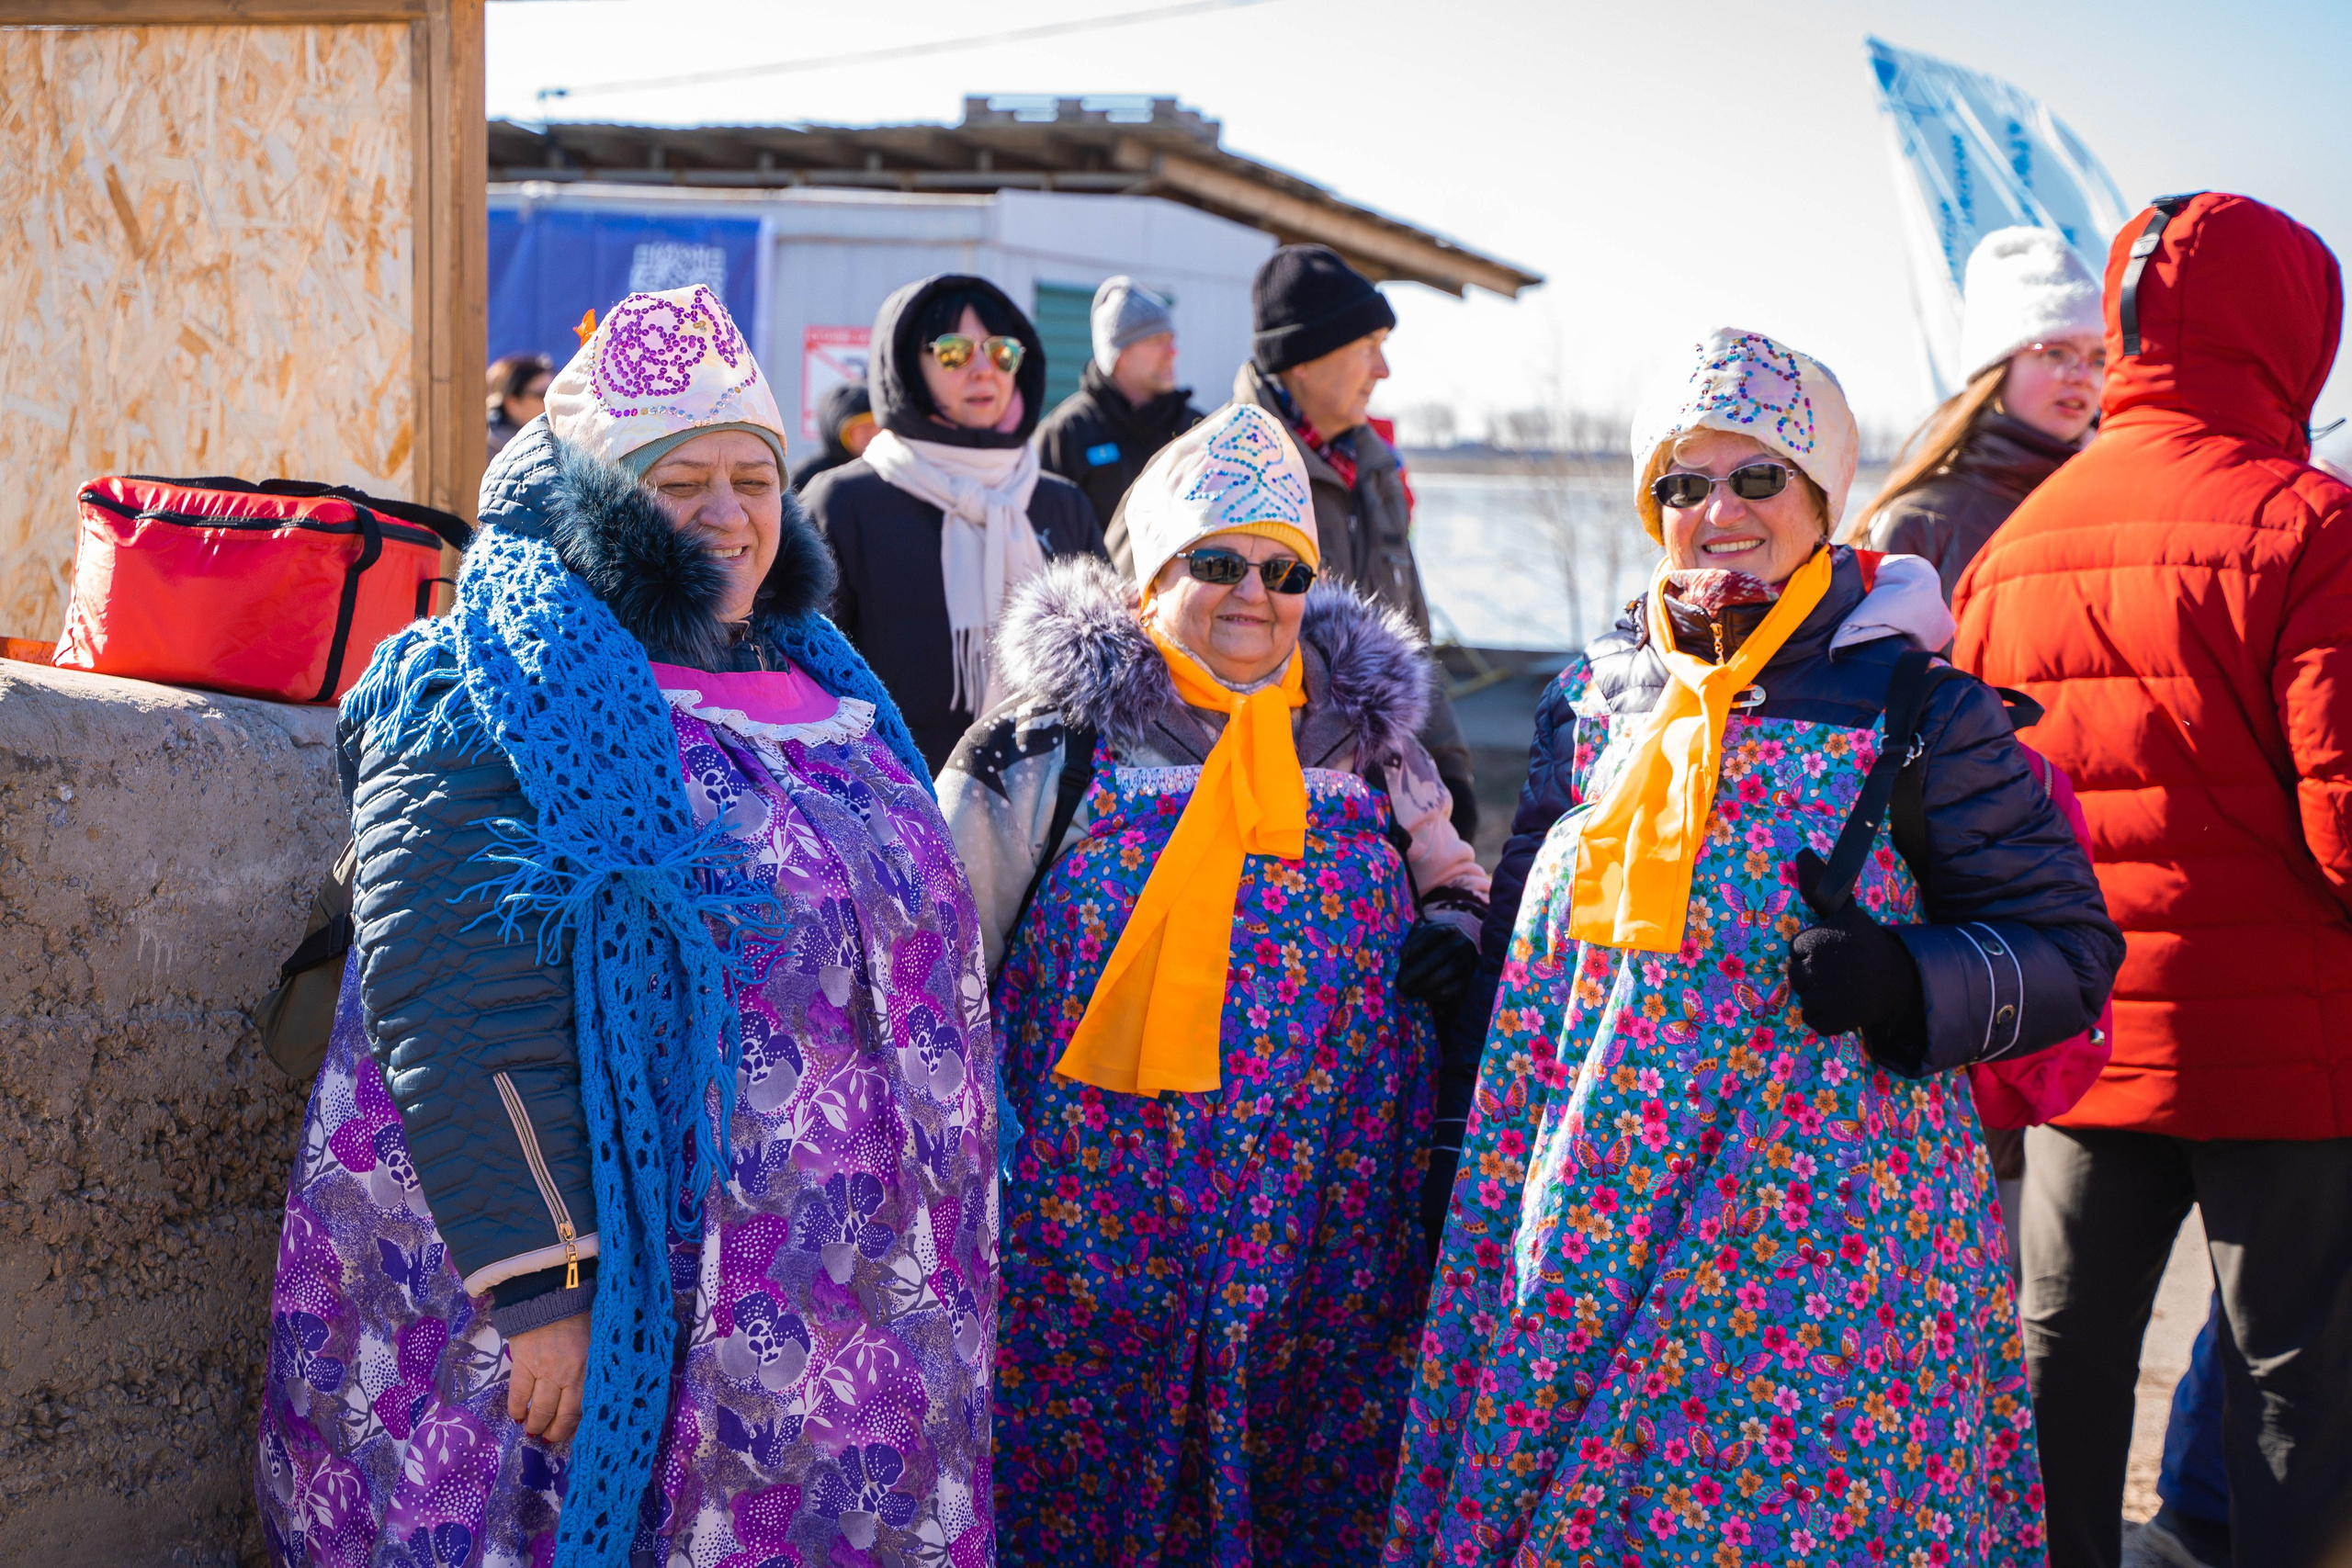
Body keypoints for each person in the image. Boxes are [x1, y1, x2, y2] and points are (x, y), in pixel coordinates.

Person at [254, 287, 999, 1567]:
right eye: (681, 480)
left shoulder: (821, 677)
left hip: (827, 1293)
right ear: (602, 500)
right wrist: (545, 1288)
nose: (727, 513)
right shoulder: (487, 684)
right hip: (585, 1283)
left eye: (755, 479)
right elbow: (453, 990)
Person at [1386, 328, 2123, 1566]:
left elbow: (2069, 948)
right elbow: (1527, 948)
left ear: (1825, 495)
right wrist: (1448, 1130)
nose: (1717, 509)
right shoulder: (1597, 691)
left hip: (1828, 1248)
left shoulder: (1918, 704)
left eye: (1757, 475)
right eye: (1682, 484)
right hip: (1588, 1226)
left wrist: (1905, 977)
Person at [943, 402, 1491, 1563]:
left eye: (1283, 567)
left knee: (1301, 1481)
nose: (1255, 592)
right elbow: (941, 966)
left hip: (1321, 1223)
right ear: (1149, 572)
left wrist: (1451, 924)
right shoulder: (1045, 745)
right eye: (1219, 560)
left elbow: (1452, 870)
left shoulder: (1363, 738)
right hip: (1088, 1225)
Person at [1953, 191, 2352, 1568]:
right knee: (2292, 1377)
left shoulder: (2012, 546)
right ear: (2293, 328)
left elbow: (1972, 829)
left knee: (2058, 1363)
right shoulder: (2312, 525)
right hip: (2288, 1057)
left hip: (2080, 1044)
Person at [1108, 243, 1477, 839]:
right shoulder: (1200, 476)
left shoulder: (1377, 475)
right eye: (1368, 348)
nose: (1383, 371)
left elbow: (1412, 637)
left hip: (1381, 795)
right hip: (1227, 805)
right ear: (1305, 358)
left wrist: (1449, 767)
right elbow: (1132, 643)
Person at [803, 273, 1102, 771]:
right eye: (954, 353)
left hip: (1046, 809)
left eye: (1003, 352)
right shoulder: (844, 503)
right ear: (904, 366)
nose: (985, 370)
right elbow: (806, 678)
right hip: (897, 809)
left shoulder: (1060, 503)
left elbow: (1103, 679)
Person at [1860, 227, 2106, 601]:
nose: (2082, 376)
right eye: (2055, 352)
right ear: (1996, 369)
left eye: (2098, 359)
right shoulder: (1921, 522)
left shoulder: (2116, 504)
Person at [1035, 275, 1203, 525]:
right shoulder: (1065, 435)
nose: (1172, 353)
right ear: (1118, 354)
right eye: (1157, 341)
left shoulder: (1196, 429)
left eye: (1171, 340)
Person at [789, 378, 876, 493]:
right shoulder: (808, 475)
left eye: (877, 425)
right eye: (863, 427)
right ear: (835, 431)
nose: (872, 433)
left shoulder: (890, 472)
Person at [485, 352, 553, 457]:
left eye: (554, 393)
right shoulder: (486, 453)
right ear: (512, 403)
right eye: (542, 394)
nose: (551, 401)